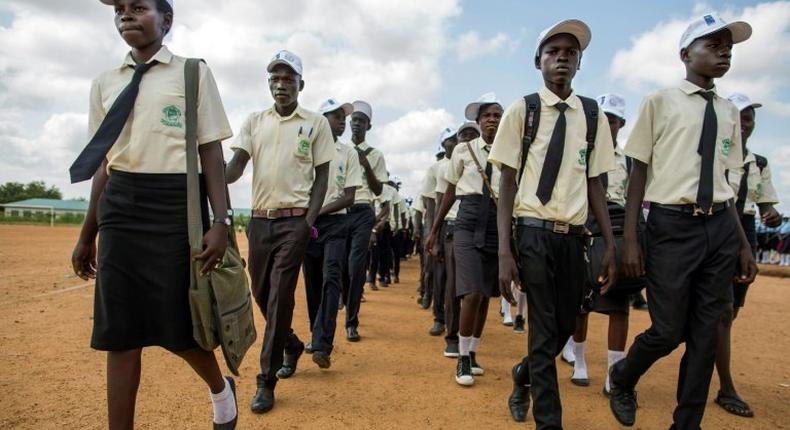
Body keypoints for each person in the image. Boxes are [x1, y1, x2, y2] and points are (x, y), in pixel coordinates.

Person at [70, 1, 238, 428]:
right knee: (119, 332)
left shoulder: (192, 72)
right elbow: (104, 161)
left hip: (175, 209)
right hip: (121, 208)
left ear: (166, 20)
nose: (127, 14)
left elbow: (210, 152)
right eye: (121, 9)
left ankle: (220, 389)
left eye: (139, 7)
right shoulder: (104, 83)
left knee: (179, 326)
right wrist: (87, 232)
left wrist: (221, 222)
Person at [608, 14, 758, 429]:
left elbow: (724, 180)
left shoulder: (728, 111)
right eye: (713, 44)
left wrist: (743, 244)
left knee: (706, 335)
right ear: (685, 54)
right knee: (669, 330)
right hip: (671, 228)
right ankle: (623, 375)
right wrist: (633, 240)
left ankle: (686, 423)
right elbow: (638, 172)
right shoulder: (659, 101)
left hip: (720, 229)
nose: (724, 51)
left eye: (728, 46)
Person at [491, 20, 617, 428]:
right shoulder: (522, 110)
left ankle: (523, 374)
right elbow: (507, 182)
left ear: (579, 63)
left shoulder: (592, 116)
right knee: (543, 326)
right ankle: (550, 421)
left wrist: (610, 244)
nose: (562, 57)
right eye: (553, 51)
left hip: (574, 239)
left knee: (564, 326)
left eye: (571, 52)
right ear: (538, 61)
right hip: (532, 233)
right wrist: (504, 251)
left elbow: (595, 183)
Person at [225, 49, 333, 413]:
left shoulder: (315, 124)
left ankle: (266, 380)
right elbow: (235, 167)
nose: (281, 84)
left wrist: (308, 222)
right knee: (260, 291)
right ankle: (291, 343)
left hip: (294, 222)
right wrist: (203, 173)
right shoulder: (255, 121)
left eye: (288, 78)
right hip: (258, 221)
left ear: (301, 84)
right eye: (275, 78)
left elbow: (322, 179)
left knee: (280, 295)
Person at [560, 93, 641, 394]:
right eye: (602, 119)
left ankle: (613, 373)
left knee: (619, 304)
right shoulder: (578, 153)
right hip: (583, 230)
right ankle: (579, 362)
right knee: (581, 305)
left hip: (617, 234)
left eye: (614, 120)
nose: (608, 125)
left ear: (621, 124)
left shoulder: (630, 161)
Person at [427, 93, 505, 385]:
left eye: (497, 115)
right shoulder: (463, 150)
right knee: (471, 291)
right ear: (478, 120)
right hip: (467, 220)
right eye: (486, 115)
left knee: (485, 294)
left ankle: (473, 354)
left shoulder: (511, 150)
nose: (492, 120)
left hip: (497, 221)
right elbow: (449, 191)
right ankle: (461, 358)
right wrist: (434, 230)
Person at [713, 93, 781, 417]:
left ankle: (715, 362)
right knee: (722, 311)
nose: (744, 124)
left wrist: (774, 216)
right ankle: (726, 388)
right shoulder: (715, 155)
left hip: (746, 229)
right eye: (739, 117)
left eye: (749, 118)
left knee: (731, 310)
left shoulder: (760, 163)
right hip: (718, 230)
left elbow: (765, 204)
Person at [300, 98, 363, 369]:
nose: (342, 121)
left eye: (343, 117)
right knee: (312, 283)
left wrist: (319, 212)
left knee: (331, 279)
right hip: (306, 225)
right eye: (336, 116)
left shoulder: (348, 153)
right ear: (321, 119)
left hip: (335, 224)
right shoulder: (306, 146)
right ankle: (316, 336)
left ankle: (323, 344)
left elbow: (349, 197)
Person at [343, 100, 388, 342]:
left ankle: (351, 321)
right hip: (340, 211)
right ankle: (342, 298)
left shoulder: (376, 155)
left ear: (369, 126)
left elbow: (379, 189)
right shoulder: (338, 149)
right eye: (354, 120)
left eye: (362, 121)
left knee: (356, 266)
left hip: (362, 211)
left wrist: (365, 163)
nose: (357, 124)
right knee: (338, 266)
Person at [428, 128, 459, 338]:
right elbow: (438, 202)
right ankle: (439, 318)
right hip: (447, 225)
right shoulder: (440, 168)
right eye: (448, 139)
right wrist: (434, 234)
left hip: (466, 224)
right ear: (443, 144)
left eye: (455, 138)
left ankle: (454, 323)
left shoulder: (466, 159)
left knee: (456, 281)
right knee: (441, 277)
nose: (453, 142)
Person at [417, 148, 446, 308]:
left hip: (453, 221)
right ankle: (427, 292)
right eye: (439, 155)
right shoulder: (434, 170)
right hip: (433, 221)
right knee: (429, 264)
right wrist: (430, 231)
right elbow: (428, 205)